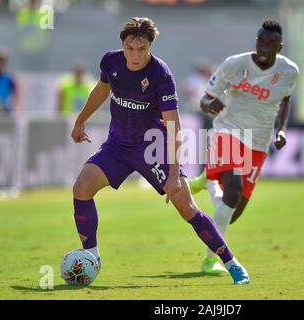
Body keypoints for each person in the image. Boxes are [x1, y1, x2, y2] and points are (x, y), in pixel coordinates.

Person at [70, 17, 249, 285]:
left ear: (150, 47)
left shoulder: (160, 74)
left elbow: (174, 126)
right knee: (81, 188)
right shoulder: (111, 62)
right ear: (123, 45)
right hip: (118, 145)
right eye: (130, 48)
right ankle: (92, 257)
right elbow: (101, 91)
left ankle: (232, 263)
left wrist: (174, 174)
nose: (135, 55)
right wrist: (80, 119)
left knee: (188, 209)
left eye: (142, 49)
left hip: (154, 149)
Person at [189, 19, 299, 274]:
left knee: (233, 210)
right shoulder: (234, 64)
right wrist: (209, 105)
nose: (263, 48)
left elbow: (285, 101)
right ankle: (211, 261)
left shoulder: (289, 71)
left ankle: (209, 181)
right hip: (228, 130)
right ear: (256, 42)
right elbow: (205, 100)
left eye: (270, 44)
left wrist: (281, 129)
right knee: (233, 190)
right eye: (260, 42)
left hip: (258, 142)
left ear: (278, 47)